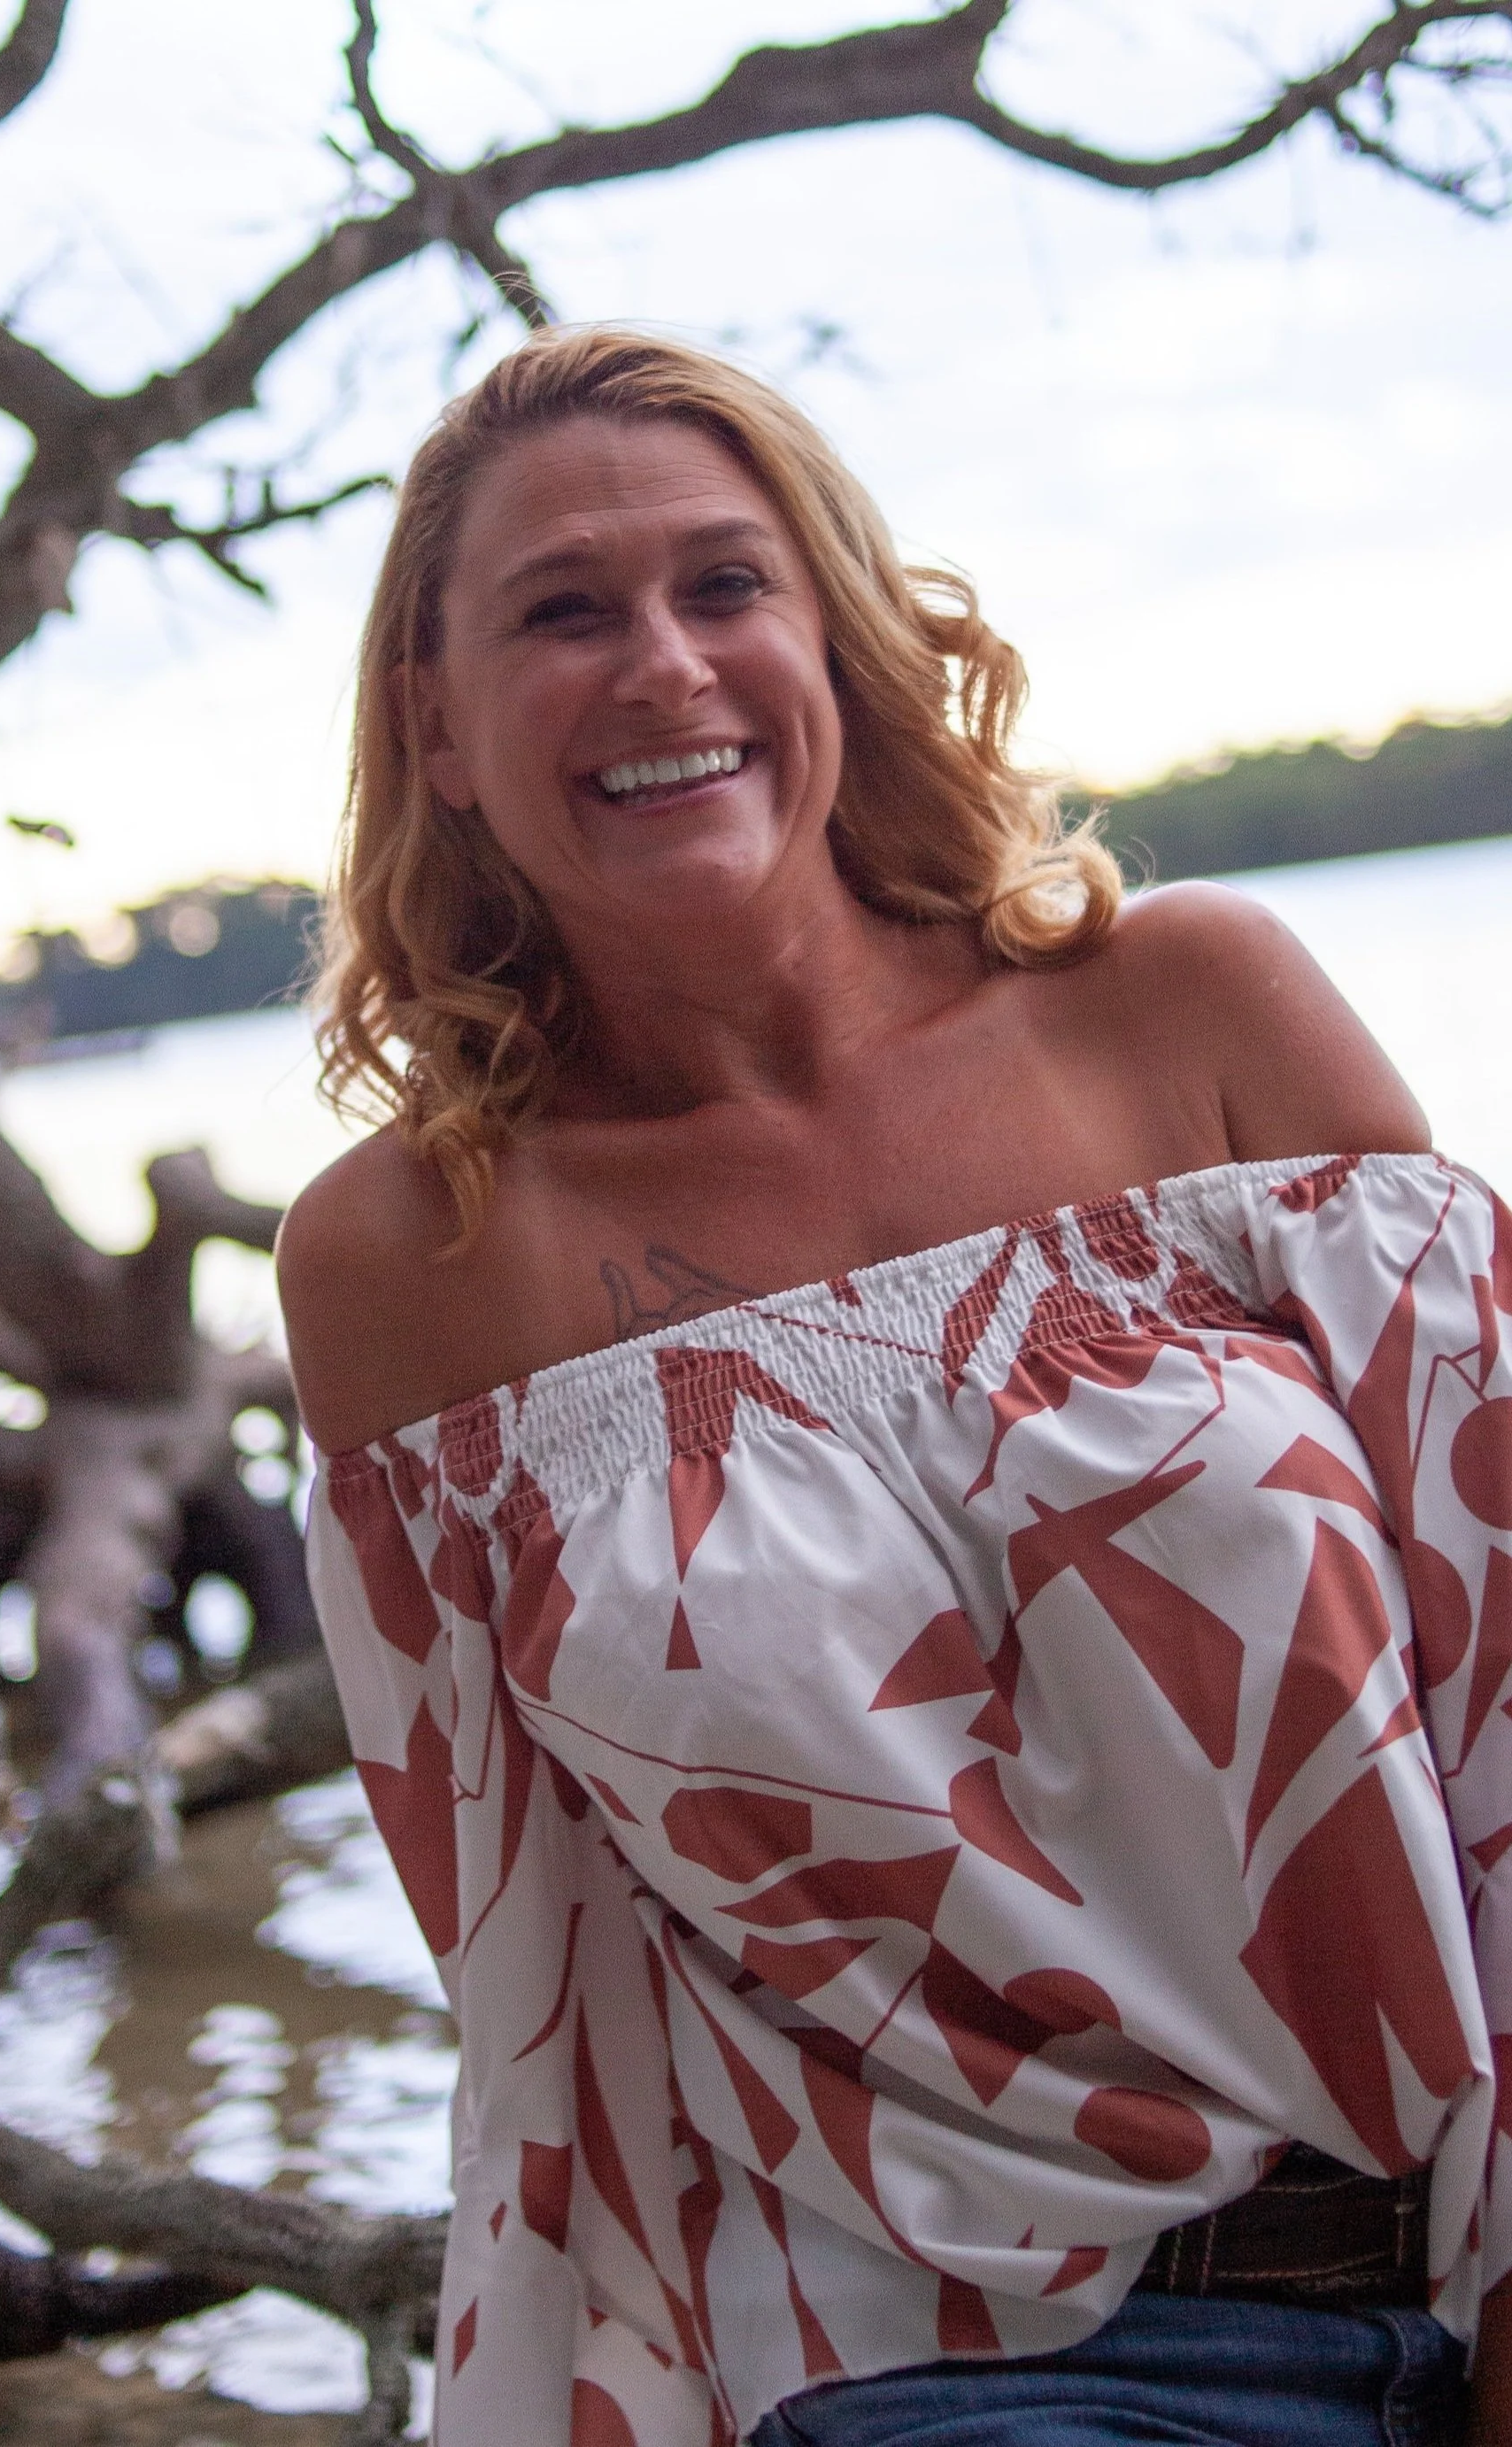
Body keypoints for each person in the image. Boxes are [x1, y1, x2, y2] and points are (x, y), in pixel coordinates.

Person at [275, 325, 1512, 2446]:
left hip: (1452, 2243)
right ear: (440, 732)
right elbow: (544, 1993)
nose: (663, 663)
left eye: (725, 584)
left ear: (835, 642)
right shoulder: (421, 1259)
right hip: (943, 2366)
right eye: (563, 612)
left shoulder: (1194, 1017)